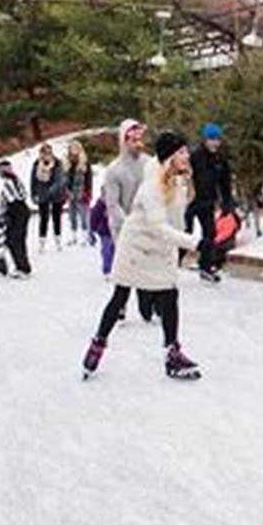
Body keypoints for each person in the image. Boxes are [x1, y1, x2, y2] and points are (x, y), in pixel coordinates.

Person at [82, 131, 207, 381]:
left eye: (186, 151)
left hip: (160, 249)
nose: (186, 156)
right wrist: (196, 243)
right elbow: (157, 226)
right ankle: (98, 343)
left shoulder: (177, 180)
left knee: (170, 294)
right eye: (181, 152)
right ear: (169, 156)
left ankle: (172, 353)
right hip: (136, 249)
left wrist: (188, 182)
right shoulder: (152, 186)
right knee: (120, 296)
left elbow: (179, 216)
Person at [102, 119, 154, 319]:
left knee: (147, 265)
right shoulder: (115, 170)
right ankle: (120, 306)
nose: (137, 143)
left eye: (139, 139)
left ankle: (148, 304)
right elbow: (112, 204)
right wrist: (129, 225)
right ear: (124, 141)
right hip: (123, 226)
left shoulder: (149, 163)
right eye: (132, 139)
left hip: (147, 223)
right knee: (127, 266)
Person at [186, 122, 236, 282]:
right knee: (184, 233)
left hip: (207, 202)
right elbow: (182, 176)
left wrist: (227, 203)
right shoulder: (194, 156)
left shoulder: (220, 160)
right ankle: (170, 264)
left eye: (217, 139)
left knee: (210, 234)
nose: (215, 143)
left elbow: (225, 183)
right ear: (205, 140)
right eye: (211, 139)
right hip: (190, 202)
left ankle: (205, 267)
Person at [0, 159, 33, 278]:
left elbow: (8, 199)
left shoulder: (8, 182)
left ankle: (22, 268)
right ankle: (24, 267)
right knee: (19, 240)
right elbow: (24, 195)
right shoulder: (16, 180)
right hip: (22, 210)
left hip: (15, 211)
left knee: (14, 240)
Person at [30, 143, 66, 253]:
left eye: (49, 152)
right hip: (42, 194)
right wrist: (33, 193)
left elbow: (60, 179)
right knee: (43, 219)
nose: (47, 155)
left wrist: (52, 190)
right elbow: (33, 179)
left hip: (56, 194)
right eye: (44, 153)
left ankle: (58, 241)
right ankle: (42, 243)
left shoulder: (57, 163)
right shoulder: (37, 164)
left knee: (57, 218)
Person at [64, 140, 94, 246]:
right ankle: (74, 237)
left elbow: (89, 179)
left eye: (76, 147)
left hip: (82, 192)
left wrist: (89, 192)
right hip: (70, 194)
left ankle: (85, 238)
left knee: (84, 216)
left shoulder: (85, 163)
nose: (74, 150)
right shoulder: (66, 163)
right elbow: (64, 179)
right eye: (72, 147)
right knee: (72, 217)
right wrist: (65, 192)